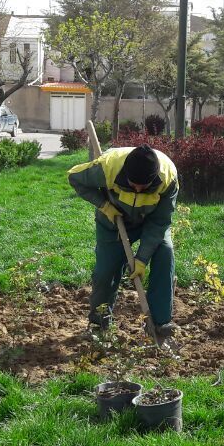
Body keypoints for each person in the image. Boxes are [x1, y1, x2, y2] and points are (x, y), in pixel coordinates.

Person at [68, 144, 179, 337]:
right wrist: (104, 205)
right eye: (133, 183)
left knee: (165, 253)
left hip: (151, 222)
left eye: (142, 186)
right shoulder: (108, 167)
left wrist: (142, 258)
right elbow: (75, 178)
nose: (136, 188)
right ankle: (98, 325)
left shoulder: (167, 177)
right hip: (113, 221)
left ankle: (160, 324)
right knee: (105, 271)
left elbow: (160, 221)